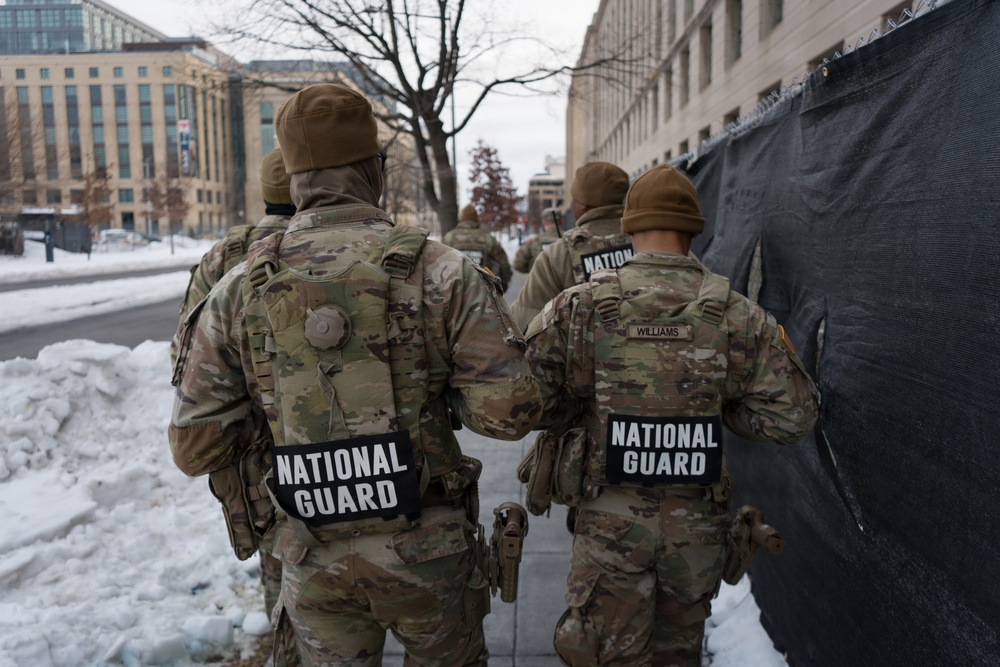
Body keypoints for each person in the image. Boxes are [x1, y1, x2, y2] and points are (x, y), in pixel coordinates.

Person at [168, 83, 542, 666]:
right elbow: (511, 413)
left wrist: (281, 414)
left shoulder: (238, 287)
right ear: (377, 168)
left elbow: (194, 447)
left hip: (310, 555)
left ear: (291, 177)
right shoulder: (442, 270)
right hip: (429, 552)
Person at [522, 164, 819, 666]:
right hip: (696, 532)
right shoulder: (740, 314)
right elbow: (794, 416)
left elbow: (521, 403)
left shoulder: (579, 307)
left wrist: (583, 405)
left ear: (628, 226)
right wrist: (722, 410)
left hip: (608, 526)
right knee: (678, 654)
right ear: (693, 228)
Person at [168, 147, 294, 620]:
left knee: (287, 588)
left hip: (260, 464)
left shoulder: (225, 255)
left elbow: (184, 361)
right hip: (363, 452)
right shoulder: (343, 241)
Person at [510, 161, 632, 331]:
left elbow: (525, 320)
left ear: (582, 203)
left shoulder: (559, 253)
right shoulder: (646, 241)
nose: (570, 204)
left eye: (573, 197)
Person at [442, 203, 513, 293]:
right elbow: (504, 265)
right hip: (483, 294)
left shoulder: (449, 238)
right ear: (476, 219)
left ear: (461, 218)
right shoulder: (487, 239)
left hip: (455, 293)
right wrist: (502, 287)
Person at [513, 207, 562, 274]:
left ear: (543, 221)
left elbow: (518, 264)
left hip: (539, 282)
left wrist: (533, 270)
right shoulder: (569, 239)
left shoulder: (533, 242)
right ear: (561, 221)